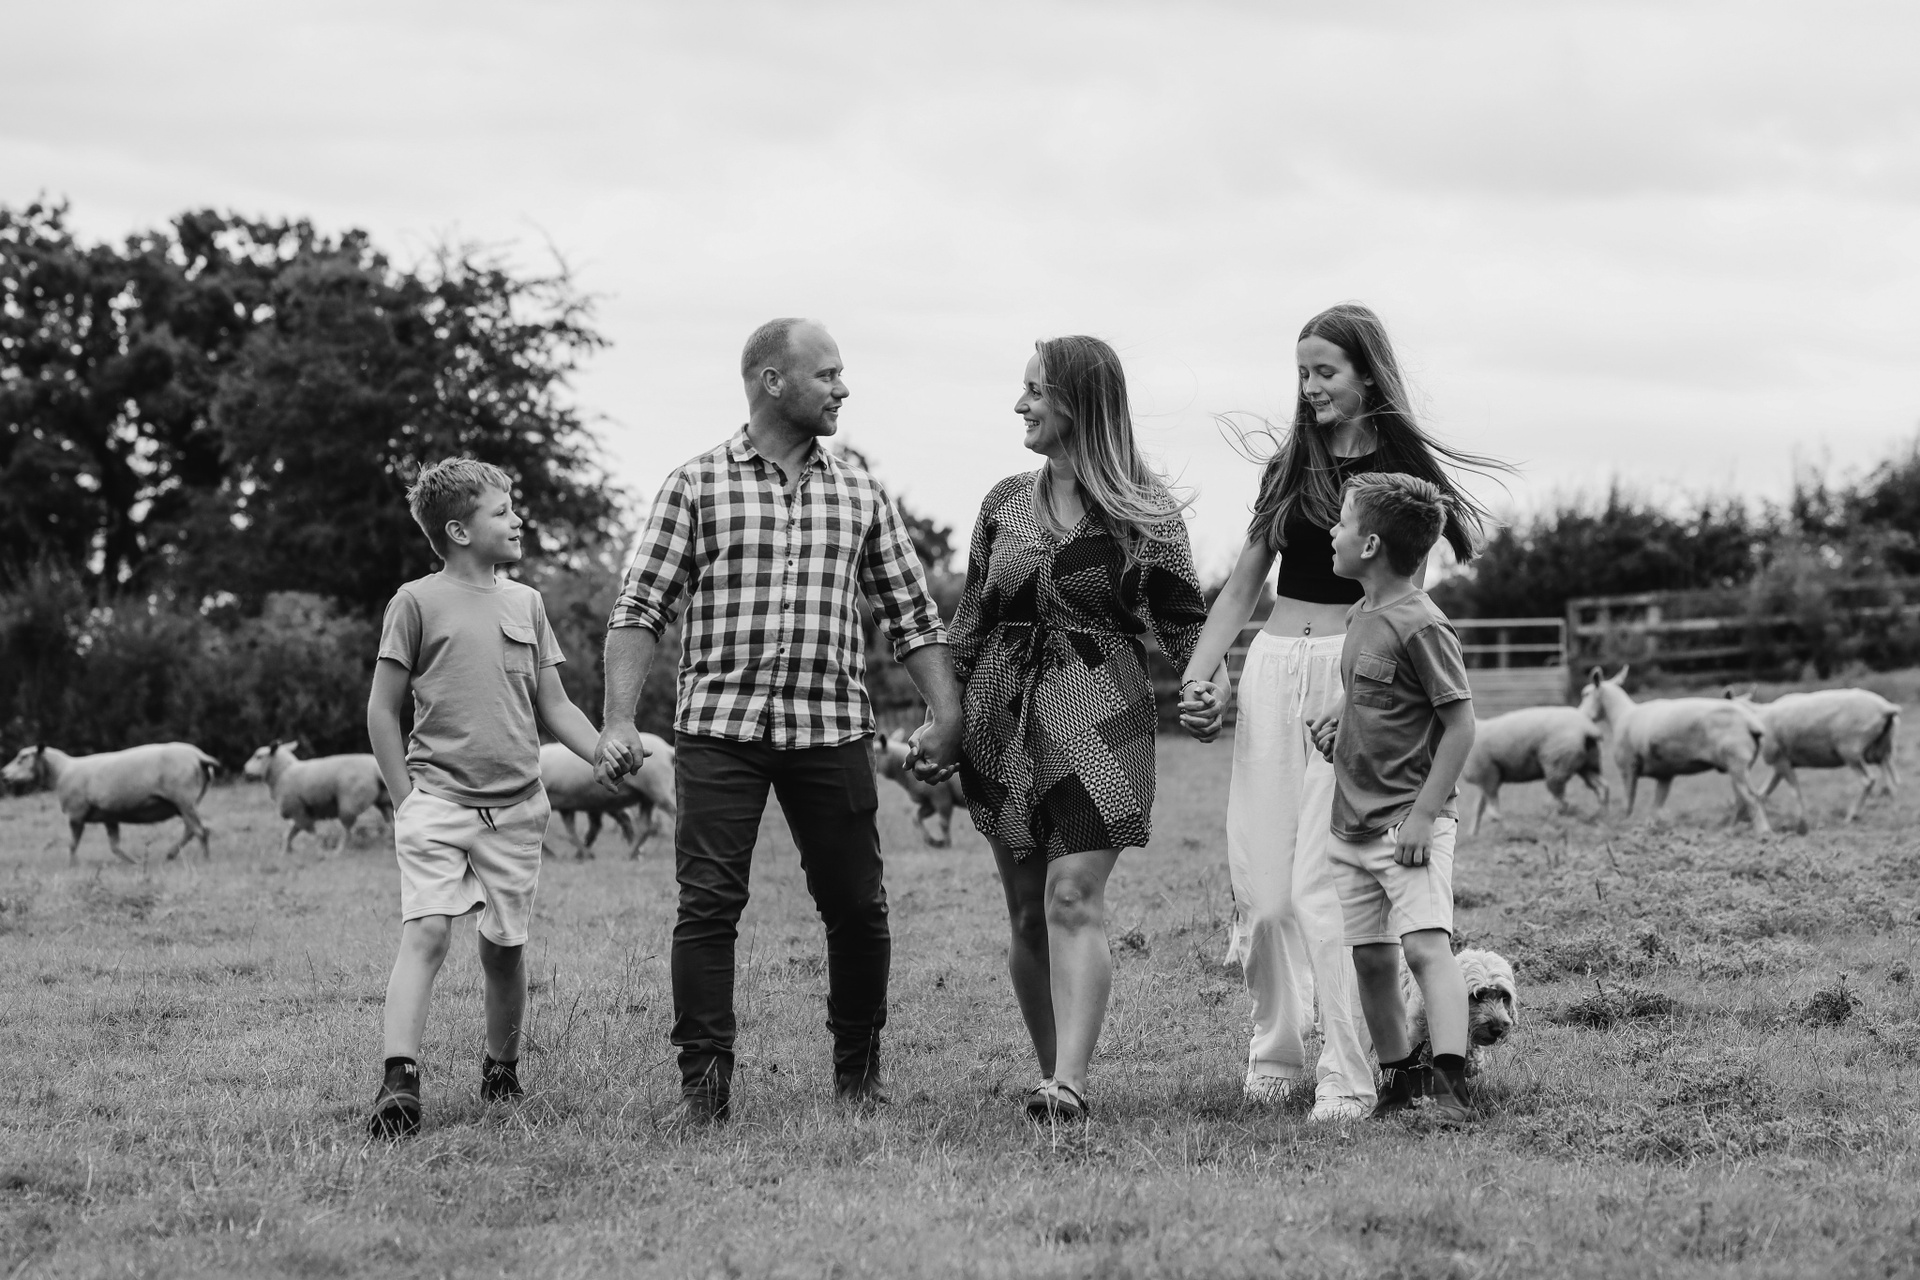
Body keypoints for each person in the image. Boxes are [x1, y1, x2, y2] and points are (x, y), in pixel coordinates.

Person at [596, 317, 964, 1125]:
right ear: (772, 381)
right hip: (719, 728)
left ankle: (859, 1076)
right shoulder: (695, 485)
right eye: (827, 374)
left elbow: (912, 614)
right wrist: (618, 720)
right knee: (708, 905)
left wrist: (948, 714)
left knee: (857, 906)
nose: (843, 388)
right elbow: (640, 607)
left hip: (830, 727)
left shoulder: (860, 493)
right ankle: (704, 1090)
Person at [1176, 303, 1501, 1120]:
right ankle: (1277, 1052)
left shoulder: (1400, 471)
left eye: (1325, 371)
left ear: (1367, 373)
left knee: (1327, 890)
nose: (1310, 387)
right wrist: (1200, 677)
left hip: (1353, 673)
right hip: (1271, 668)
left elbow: (1408, 596)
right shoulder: (1289, 465)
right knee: (1264, 892)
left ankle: (1348, 1074)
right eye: (1302, 373)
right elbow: (1243, 584)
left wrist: (1368, 693)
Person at [950, 336, 1208, 1122]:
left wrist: (1208, 684)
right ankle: (1049, 1077)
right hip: (1001, 716)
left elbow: (1185, 621)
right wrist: (941, 717)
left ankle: (1070, 1082)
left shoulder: (1145, 510)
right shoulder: (1003, 504)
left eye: (1035, 390)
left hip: (1101, 714)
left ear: (1079, 402)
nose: (1020, 405)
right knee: (1028, 913)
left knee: (1071, 894)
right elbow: (968, 622)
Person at [365, 458, 606, 1138]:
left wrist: (600, 751)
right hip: (437, 801)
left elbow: (554, 706)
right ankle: (398, 1080)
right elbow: (382, 710)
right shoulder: (415, 602)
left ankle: (501, 1070)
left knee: (504, 947)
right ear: (459, 531)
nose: (517, 520)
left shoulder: (526, 602)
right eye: (502, 511)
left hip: (518, 809)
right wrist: (406, 800)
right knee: (428, 932)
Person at [1311, 471, 1477, 1125]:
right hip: (1350, 824)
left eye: (1342, 521)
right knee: (1372, 958)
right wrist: (1340, 722)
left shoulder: (1423, 624)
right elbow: (1374, 699)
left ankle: (1451, 1085)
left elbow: (1460, 725)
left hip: (1407, 825)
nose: (1332, 531)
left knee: (1425, 949)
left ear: (1371, 544)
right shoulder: (1360, 616)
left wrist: (1424, 816)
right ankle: (1400, 1079)